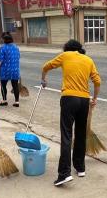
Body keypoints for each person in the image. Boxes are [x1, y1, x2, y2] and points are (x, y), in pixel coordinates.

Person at [41, 40, 101, 186]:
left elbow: (46, 66)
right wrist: (94, 99)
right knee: (80, 134)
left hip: (69, 99)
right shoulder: (88, 60)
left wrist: (43, 79)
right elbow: (97, 81)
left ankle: (64, 173)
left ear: (67, 48)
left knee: (67, 135)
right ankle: (80, 168)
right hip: (84, 101)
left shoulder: (65, 55)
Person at [0, 32, 21, 107]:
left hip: (5, 70)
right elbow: (18, 57)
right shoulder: (16, 47)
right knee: (15, 85)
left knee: (3, 86)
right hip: (15, 70)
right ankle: (17, 102)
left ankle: (4, 101)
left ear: (3, 39)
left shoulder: (3, 47)